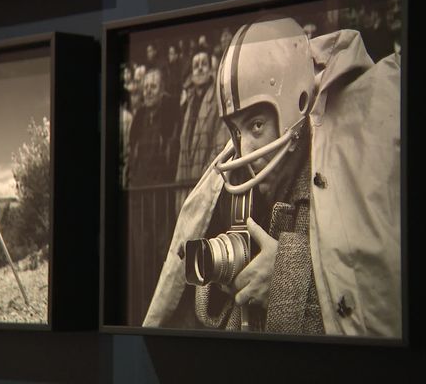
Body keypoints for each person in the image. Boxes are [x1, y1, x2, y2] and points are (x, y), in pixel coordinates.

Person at [143, 18, 401, 338]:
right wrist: (224, 280)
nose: (244, 149)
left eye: (256, 125)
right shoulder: (240, 187)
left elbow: (377, 307)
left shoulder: (349, 158)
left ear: (298, 104)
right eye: (237, 130)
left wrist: (286, 280)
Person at [174, 46, 229, 213]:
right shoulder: (189, 104)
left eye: (204, 63)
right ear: (191, 73)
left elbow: (220, 145)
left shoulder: (219, 98)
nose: (199, 68)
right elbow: (183, 149)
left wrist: (205, 179)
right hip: (187, 182)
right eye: (195, 64)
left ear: (211, 69)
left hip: (206, 181)